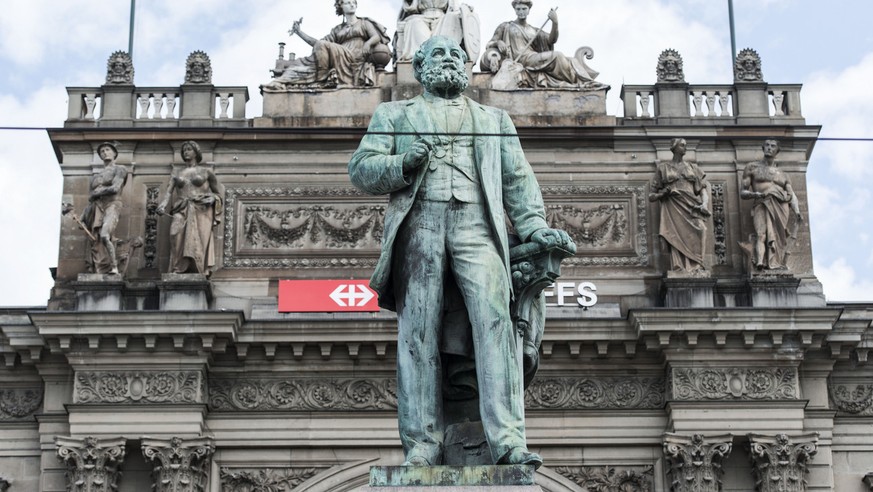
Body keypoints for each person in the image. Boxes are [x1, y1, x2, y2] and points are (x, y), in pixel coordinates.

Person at [349, 36, 572, 468]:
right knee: (419, 334)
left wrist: (536, 227)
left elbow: (518, 182)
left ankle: (507, 440)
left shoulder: (494, 119)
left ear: (466, 67)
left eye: (457, 54)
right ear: (420, 67)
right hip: (420, 226)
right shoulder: (394, 115)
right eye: (439, 54)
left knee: (495, 322)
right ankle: (422, 445)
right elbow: (361, 168)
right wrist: (401, 164)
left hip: (476, 226)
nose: (450, 59)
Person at [262, 0, 390, 90]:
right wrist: (299, 33)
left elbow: (376, 36)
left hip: (354, 56)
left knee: (322, 45)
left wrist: (368, 43)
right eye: (347, 2)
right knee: (303, 63)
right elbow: (317, 44)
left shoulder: (363, 23)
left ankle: (321, 79)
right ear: (341, 7)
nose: (352, 4)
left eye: (353, 2)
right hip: (339, 56)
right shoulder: (337, 29)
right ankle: (285, 79)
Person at [480, 0, 599, 89]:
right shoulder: (506, 26)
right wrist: (498, 42)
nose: (521, 12)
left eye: (524, 9)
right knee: (557, 56)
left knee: (571, 60)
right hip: (522, 60)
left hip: (533, 57)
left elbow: (551, 40)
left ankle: (580, 81)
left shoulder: (534, 31)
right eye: (519, 9)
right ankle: (577, 81)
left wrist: (555, 23)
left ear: (529, 10)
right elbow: (490, 44)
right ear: (515, 10)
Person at [156, 141, 222, 276]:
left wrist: (213, 198)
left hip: (202, 209)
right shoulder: (177, 172)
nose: (186, 152)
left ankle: (198, 269)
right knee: (175, 233)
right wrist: (163, 204)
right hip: (181, 207)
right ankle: (177, 267)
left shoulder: (206, 172)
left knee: (200, 239)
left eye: (189, 149)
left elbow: (218, 193)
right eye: (184, 150)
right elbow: (169, 192)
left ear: (196, 152)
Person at [649, 138, 711, 273]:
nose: (685, 148)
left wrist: (705, 204)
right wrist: (663, 193)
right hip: (673, 207)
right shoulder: (663, 168)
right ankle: (680, 268)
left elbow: (702, 191)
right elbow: (651, 196)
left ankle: (697, 265)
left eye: (686, 145)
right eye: (682, 145)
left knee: (701, 229)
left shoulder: (693, 168)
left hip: (692, 206)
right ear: (674, 147)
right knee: (675, 235)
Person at [740, 139, 803, 270]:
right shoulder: (752, 168)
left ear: (777, 151)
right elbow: (743, 192)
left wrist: (797, 211)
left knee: (779, 237)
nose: (769, 148)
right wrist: (755, 195)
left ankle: (776, 263)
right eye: (767, 145)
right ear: (763, 148)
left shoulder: (783, 174)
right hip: (761, 203)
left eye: (773, 146)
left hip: (781, 207)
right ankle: (760, 262)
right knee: (761, 234)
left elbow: (791, 194)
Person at [83, 142, 128, 274]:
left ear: (114, 153)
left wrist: (98, 192)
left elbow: (115, 188)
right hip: (97, 207)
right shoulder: (96, 176)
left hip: (113, 204)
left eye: (108, 150)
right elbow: (91, 199)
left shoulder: (120, 169)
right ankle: (101, 267)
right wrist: (83, 216)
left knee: (104, 235)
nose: (105, 153)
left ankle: (114, 267)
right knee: (96, 238)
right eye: (102, 151)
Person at [394, 0, 480, 63]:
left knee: (453, 17)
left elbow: (455, 8)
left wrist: (465, 11)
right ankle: (418, 58)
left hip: (442, 18)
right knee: (414, 23)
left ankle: (447, 53)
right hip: (423, 17)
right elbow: (410, 8)